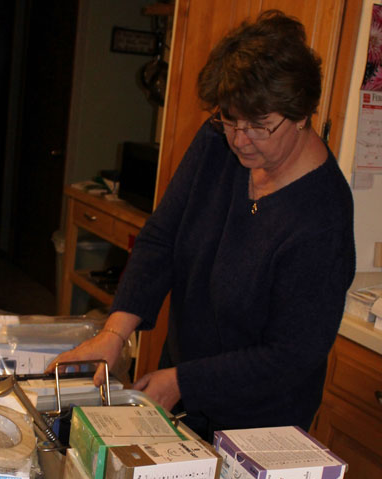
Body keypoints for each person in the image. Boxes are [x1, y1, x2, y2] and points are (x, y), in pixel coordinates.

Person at [49, 10, 355, 442]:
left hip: (259, 428)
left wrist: (182, 382)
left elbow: (290, 356)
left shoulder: (322, 218)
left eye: (259, 126)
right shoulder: (217, 142)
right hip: (184, 388)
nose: (239, 139)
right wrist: (115, 332)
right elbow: (162, 238)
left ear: (302, 113)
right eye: (230, 119)